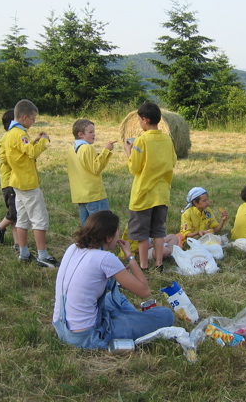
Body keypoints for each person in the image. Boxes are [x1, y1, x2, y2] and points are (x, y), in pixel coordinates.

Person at [52, 210, 175, 349]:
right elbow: (144, 291)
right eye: (117, 231)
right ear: (109, 238)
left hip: (61, 326)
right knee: (165, 315)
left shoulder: (73, 248)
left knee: (117, 298)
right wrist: (129, 256)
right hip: (86, 336)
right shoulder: (106, 258)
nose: (119, 235)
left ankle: (131, 320)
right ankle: (134, 322)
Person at [5, 99, 58, 268]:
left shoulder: (11, 133)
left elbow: (23, 151)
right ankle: (43, 255)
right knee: (39, 218)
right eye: (33, 119)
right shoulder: (20, 134)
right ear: (25, 117)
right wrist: (43, 141)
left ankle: (24, 253)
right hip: (28, 184)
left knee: (22, 218)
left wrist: (34, 139)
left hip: (17, 181)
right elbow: (32, 153)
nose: (34, 122)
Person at [124, 102, 176, 272]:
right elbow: (173, 161)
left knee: (142, 233)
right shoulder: (167, 139)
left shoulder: (141, 141)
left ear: (145, 120)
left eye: (139, 120)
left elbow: (134, 168)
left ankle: (144, 266)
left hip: (144, 194)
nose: (139, 123)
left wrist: (128, 151)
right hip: (162, 194)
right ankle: (159, 264)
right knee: (159, 231)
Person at [66, 119, 116, 226]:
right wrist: (106, 151)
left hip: (80, 196)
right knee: (102, 226)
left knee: (87, 228)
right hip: (94, 195)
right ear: (81, 134)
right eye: (91, 132)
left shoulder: (71, 150)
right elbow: (96, 168)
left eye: (94, 131)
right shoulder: (87, 148)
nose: (94, 134)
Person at [0, 109, 20, 250]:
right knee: (14, 212)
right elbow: (4, 158)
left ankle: (17, 243)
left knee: (17, 213)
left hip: (17, 180)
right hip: (9, 182)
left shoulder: (15, 136)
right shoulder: (6, 139)